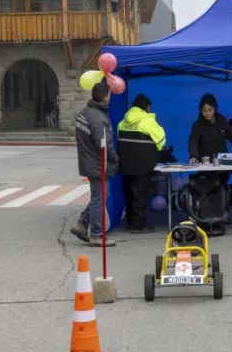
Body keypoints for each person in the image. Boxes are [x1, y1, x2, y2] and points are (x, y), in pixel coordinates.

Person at [71, 81, 118, 247]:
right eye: (109, 95)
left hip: (89, 162)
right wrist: (115, 159)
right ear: (105, 98)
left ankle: (83, 223)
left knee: (100, 196)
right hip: (99, 164)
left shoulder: (85, 113)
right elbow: (104, 144)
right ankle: (97, 235)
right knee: (100, 198)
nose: (110, 98)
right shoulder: (99, 118)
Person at [117, 93, 170, 234]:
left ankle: (130, 222)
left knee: (129, 194)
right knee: (140, 195)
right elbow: (161, 140)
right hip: (142, 165)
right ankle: (139, 226)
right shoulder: (147, 121)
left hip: (125, 164)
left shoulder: (122, 122)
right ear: (147, 107)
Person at [188, 94, 232, 163]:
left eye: (210, 110)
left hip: (222, 161)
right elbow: (193, 140)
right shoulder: (197, 125)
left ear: (215, 109)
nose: (207, 113)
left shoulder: (222, 121)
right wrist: (193, 155)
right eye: (204, 110)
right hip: (205, 162)